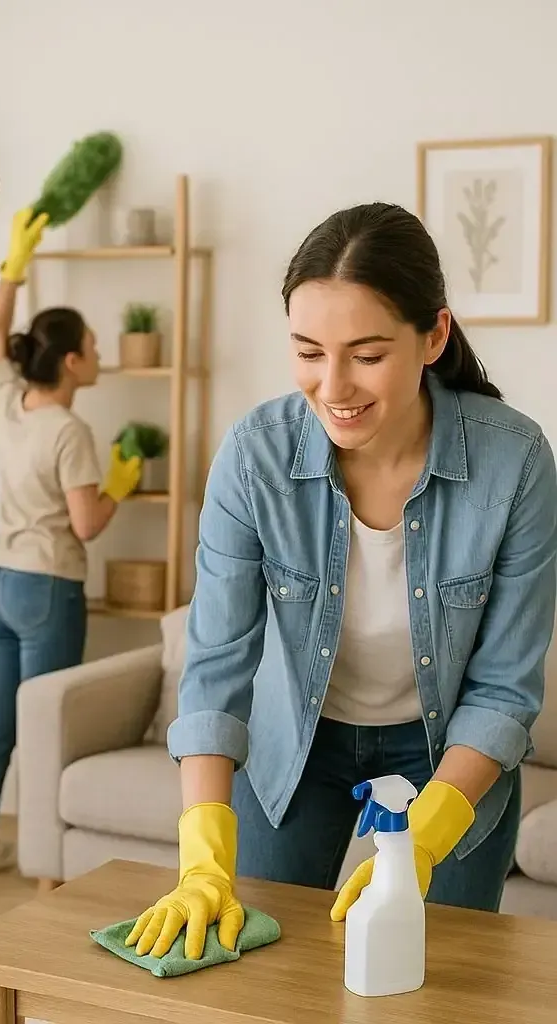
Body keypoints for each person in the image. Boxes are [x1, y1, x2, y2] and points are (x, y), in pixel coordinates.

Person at [126, 201, 557, 961]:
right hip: (296, 743)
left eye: (366, 354)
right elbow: (218, 662)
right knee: (260, 973)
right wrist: (199, 857)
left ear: (434, 336)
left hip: (450, 756)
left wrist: (422, 840)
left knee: (442, 986)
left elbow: (504, 689)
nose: (333, 386)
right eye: (307, 351)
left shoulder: (514, 463)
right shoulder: (254, 458)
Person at [0, 209, 143, 877]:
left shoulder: (10, 403)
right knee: (47, 723)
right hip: (46, 589)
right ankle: (43, 856)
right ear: (70, 361)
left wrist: (13, 267)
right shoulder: (69, 429)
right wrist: (122, 484)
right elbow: (88, 523)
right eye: (93, 348)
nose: (100, 356)